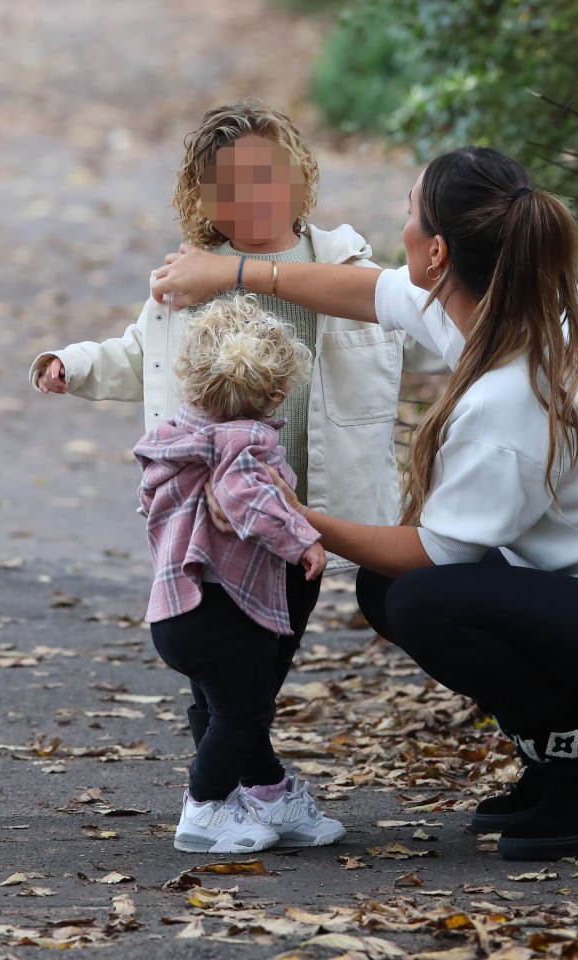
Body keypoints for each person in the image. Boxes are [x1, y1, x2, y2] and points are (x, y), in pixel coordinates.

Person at [152, 145, 578, 862]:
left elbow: (435, 554)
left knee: (418, 597)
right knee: (399, 585)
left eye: (409, 210)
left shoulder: (513, 395)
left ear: (437, 251)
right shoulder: (524, 300)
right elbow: (371, 292)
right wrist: (234, 270)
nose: (398, 221)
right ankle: (560, 756)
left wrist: (285, 512)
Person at [29, 96, 444, 763]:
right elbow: (144, 354)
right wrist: (71, 365)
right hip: (210, 511)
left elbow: (425, 334)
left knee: (267, 657)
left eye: (267, 176)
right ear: (205, 198)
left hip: (305, 510)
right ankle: (228, 791)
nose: (253, 195)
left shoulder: (343, 268)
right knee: (227, 663)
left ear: (298, 179)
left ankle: (237, 787)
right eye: (231, 185)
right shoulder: (192, 279)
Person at [134, 292, 346, 854]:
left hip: (177, 609)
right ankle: (204, 808)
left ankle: (266, 793)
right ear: (278, 391)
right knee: (243, 712)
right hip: (226, 610)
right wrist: (302, 539)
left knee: (220, 707)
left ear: (191, 379)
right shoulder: (246, 444)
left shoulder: (175, 440)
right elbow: (243, 501)